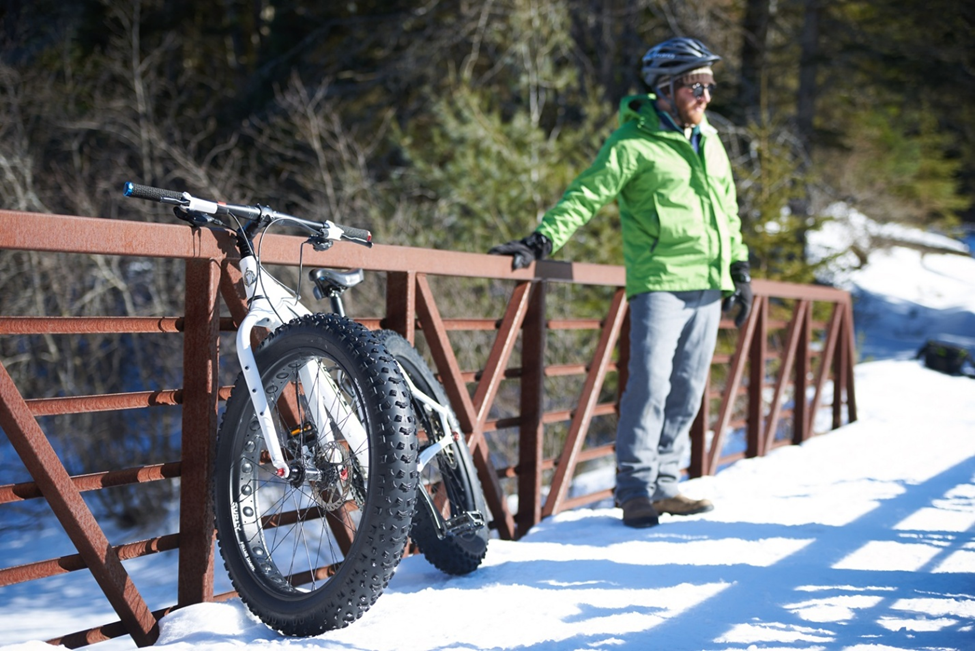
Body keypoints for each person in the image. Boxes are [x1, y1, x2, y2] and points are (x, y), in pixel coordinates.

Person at [489, 37, 752, 528]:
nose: (706, 96)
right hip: (659, 281)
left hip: (710, 282)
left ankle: (667, 484)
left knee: (690, 387)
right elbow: (587, 194)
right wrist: (542, 241)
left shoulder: (709, 139)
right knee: (649, 384)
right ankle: (633, 489)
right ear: (668, 88)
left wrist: (739, 266)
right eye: (698, 86)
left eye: (710, 85)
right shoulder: (632, 143)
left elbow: (727, 209)